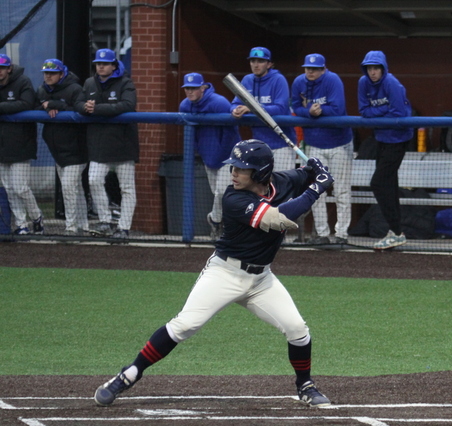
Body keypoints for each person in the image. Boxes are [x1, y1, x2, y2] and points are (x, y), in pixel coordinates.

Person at [94, 139, 336, 407]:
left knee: (297, 328)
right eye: (234, 167)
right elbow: (278, 218)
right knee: (185, 325)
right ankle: (129, 373)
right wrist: (317, 187)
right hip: (225, 273)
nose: (234, 173)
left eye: (241, 169)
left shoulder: (281, 182)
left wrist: (315, 170)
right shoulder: (234, 198)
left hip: (261, 280)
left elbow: (305, 175)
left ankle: (305, 385)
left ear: (260, 173)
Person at [76, 48, 139, 240]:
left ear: (113, 65)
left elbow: (128, 105)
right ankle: (105, 221)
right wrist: (84, 107)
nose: (101, 67)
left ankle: (123, 228)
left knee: (127, 188)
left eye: (105, 64)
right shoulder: (89, 82)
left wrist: (97, 108)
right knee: (94, 180)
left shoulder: (125, 82)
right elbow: (77, 103)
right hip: (99, 142)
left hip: (123, 143)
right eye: (98, 64)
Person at [291, 53, 353, 244]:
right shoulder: (299, 82)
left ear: (323, 69)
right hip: (314, 144)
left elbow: (338, 109)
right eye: (308, 68)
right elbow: (295, 107)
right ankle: (322, 234)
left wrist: (318, 110)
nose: (310, 72)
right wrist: (308, 111)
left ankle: (342, 234)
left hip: (339, 143)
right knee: (317, 190)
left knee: (341, 190)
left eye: (315, 69)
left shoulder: (333, 80)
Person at [357, 50, 414, 250]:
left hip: (398, 139)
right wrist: (384, 109)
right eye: (369, 68)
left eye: (376, 68)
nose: (373, 72)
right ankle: (396, 232)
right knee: (388, 184)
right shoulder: (363, 83)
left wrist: (378, 113)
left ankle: (396, 231)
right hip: (380, 138)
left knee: (379, 183)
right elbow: (363, 111)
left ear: (383, 68)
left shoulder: (392, 83)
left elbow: (398, 113)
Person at [179, 72, 241, 240]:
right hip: (208, 155)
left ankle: (216, 220)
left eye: (193, 88)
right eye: (187, 88)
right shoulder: (185, 105)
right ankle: (220, 225)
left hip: (228, 155)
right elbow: (192, 135)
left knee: (223, 192)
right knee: (217, 194)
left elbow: (231, 133)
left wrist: (222, 154)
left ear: (203, 87)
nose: (189, 92)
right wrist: (201, 152)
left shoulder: (218, 102)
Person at [37, 58, 89, 236]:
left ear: (61, 74)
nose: (48, 76)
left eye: (52, 73)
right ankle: (83, 225)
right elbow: (34, 104)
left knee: (68, 187)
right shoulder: (42, 90)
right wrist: (45, 107)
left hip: (77, 148)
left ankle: (71, 227)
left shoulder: (75, 88)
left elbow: (81, 109)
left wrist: (55, 105)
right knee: (76, 188)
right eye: (46, 73)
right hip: (57, 150)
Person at [230, 47, 296, 176]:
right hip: (259, 145)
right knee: (261, 184)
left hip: (282, 143)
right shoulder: (247, 80)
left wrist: (252, 108)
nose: (256, 65)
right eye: (253, 61)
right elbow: (235, 103)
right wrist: (235, 110)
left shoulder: (278, 79)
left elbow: (281, 108)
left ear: (269, 64)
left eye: (260, 61)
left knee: (283, 183)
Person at [0, 53, 43, 235]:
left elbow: (27, 104)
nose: (0, 71)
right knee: (9, 189)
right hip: (2, 146)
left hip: (21, 144)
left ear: (9, 69)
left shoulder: (22, 81)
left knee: (20, 188)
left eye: (2, 68)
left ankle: (37, 217)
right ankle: (21, 225)